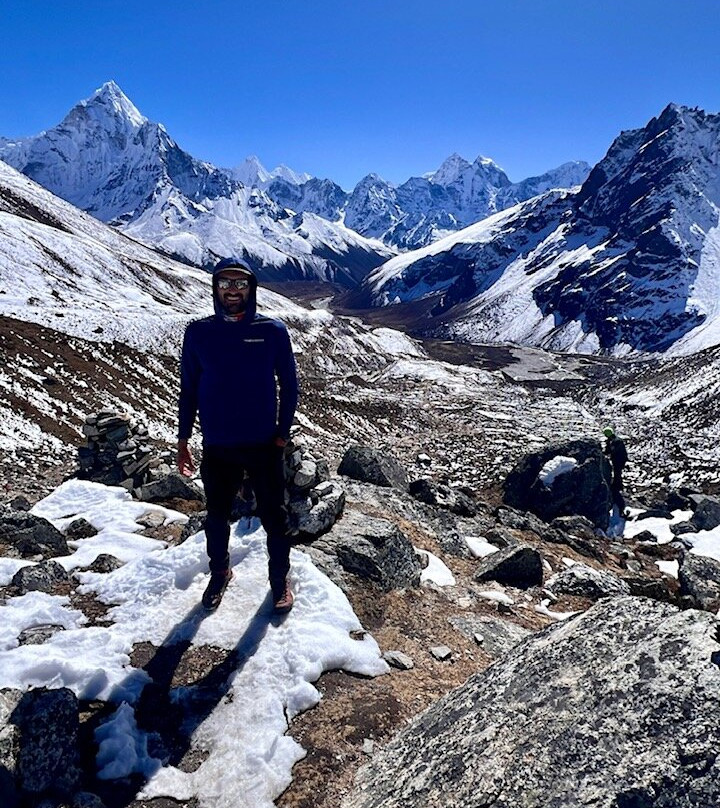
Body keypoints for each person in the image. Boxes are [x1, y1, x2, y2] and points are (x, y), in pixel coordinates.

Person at [177, 257, 299, 612]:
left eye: (240, 283)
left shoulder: (273, 331)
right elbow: (189, 389)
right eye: (225, 283)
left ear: (252, 288)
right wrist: (183, 440)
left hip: (264, 444)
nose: (232, 290)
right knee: (216, 516)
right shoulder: (198, 332)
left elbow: (289, 386)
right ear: (215, 288)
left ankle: (279, 582)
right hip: (218, 445)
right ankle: (220, 572)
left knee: (275, 517)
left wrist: (281, 434)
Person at [603, 427, 628, 512]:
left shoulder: (616, 441)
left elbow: (612, 450)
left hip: (619, 459)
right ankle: (617, 484)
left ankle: (618, 485)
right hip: (617, 459)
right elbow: (608, 450)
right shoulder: (613, 440)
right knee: (617, 471)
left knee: (617, 471)